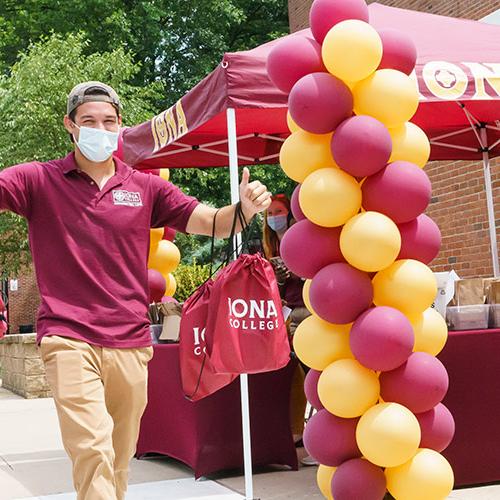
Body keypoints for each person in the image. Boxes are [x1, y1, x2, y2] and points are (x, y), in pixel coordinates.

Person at [0, 81, 271, 500]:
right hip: (68, 336)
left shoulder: (145, 187)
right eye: (88, 121)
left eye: (108, 121)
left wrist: (243, 210)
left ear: (120, 126)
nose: (99, 129)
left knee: (118, 457)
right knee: (91, 449)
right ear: (70, 126)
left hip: (129, 340)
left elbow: (208, 220)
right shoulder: (40, 180)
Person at [262, 194, 317, 466]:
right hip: (290, 316)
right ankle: (303, 435)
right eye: (270, 213)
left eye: (279, 211)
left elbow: (315, 273)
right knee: (300, 377)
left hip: (310, 314)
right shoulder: (271, 246)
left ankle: (322, 440)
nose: (274, 216)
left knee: (314, 375)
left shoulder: (303, 239)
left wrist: (296, 271)